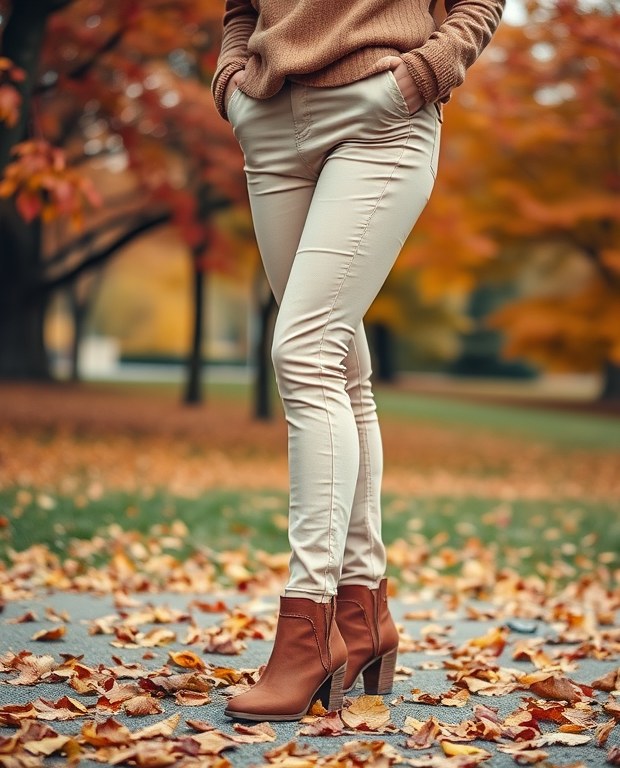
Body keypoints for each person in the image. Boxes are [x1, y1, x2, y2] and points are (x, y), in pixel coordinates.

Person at [212, 0, 505, 721]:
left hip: (380, 108)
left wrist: (418, 78)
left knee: (303, 350)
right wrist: (230, 82)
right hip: (270, 118)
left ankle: (306, 634)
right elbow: (240, 9)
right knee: (339, 365)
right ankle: (363, 613)